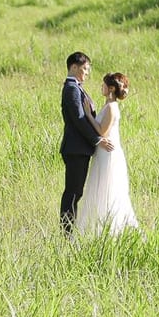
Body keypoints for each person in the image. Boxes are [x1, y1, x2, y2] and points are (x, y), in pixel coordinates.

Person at [75, 72, 139, 236]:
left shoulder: (111, 107)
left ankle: (110, 230)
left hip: (108, 152)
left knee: (106, 187)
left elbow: (102, 131)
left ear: (111, 89)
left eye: (103, 85)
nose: (101, 87)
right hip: (103, 151)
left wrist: (88, 115)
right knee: (100, 186)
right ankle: (98, 228)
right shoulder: (107, 105)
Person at [60, 51, 113, 235]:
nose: (86, 73)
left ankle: (69, 231)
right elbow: (79, 119)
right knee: (73, 193)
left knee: (76, 192)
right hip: (75, 148)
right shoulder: (71, 89)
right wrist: (97, 139)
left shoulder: (77, 87)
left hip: (80, 148)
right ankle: (67, 233)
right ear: (73, 67)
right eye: (84, 69)